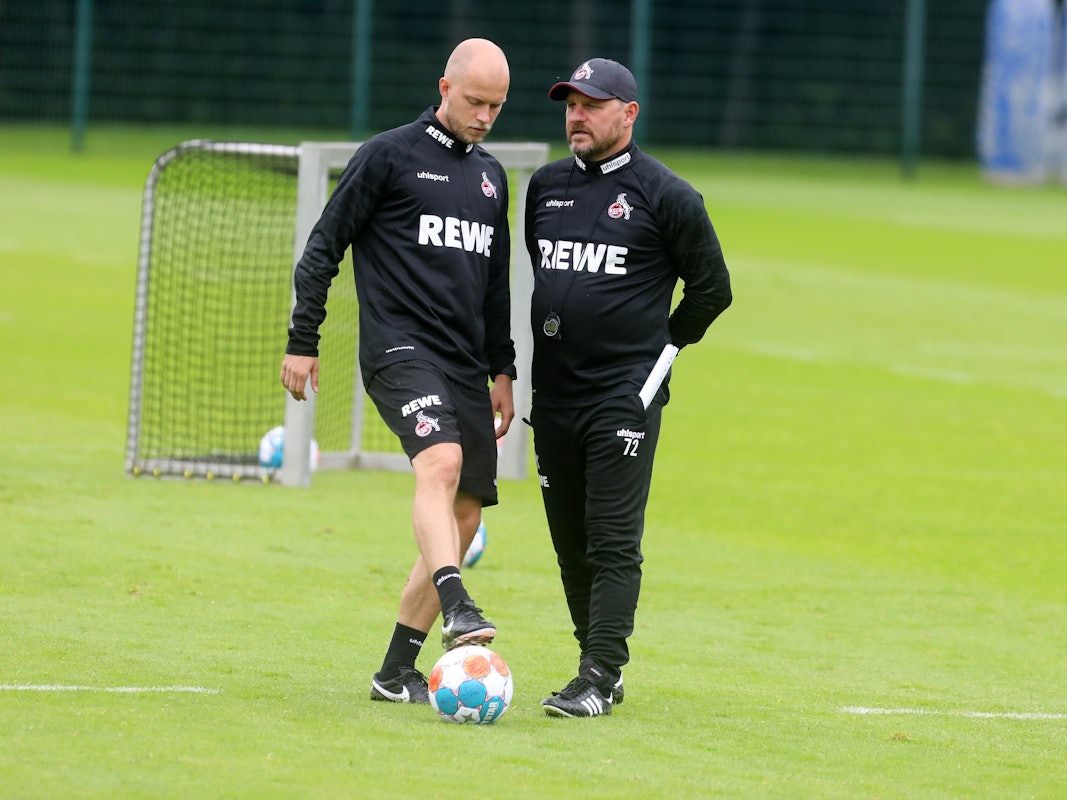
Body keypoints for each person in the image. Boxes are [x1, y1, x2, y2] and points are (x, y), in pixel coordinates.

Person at [280, 38, 517, 706]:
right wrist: (303, 340)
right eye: (474, 101)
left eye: (496, 106)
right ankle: (458, 603)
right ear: (444, 87)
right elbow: (322, 247)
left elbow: (494, 284)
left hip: (465, 364)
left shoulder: (492, 177)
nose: (484, 116)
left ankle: (395, 671)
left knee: (465, 513)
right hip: (398, 351)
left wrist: (503, 369)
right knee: (438, 466)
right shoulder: (386, 156)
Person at [525, 58, 732, 717]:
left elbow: (712, 290)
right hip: (552, 393)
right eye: (570, 104)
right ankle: (596, 668)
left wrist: (661, 348)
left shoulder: (666, 195)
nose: (576, 116)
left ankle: (599, 671)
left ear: (628, 113)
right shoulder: (546, 186)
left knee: (611, 538)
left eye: (591, 104)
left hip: (623, 395)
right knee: (568, 539)